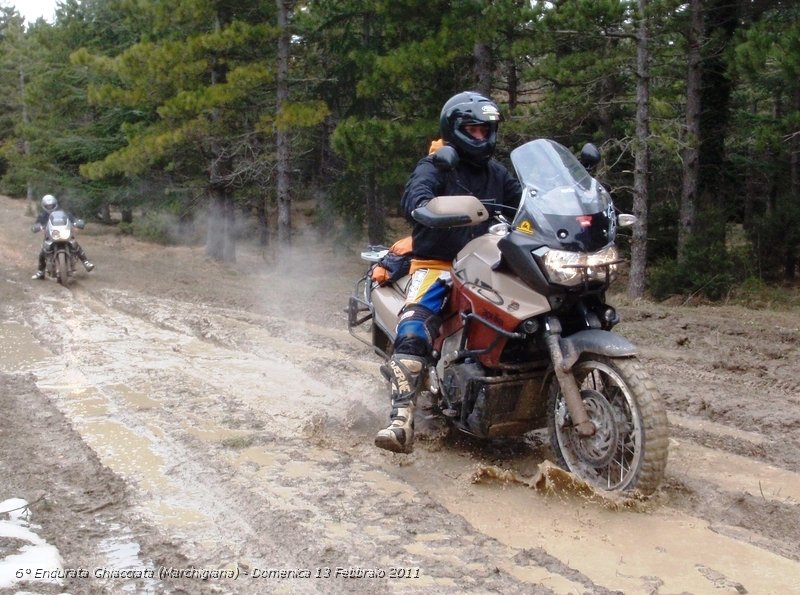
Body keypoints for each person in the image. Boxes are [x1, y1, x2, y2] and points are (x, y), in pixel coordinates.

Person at [374, 91, 522, 453]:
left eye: (487, 130)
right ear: (454, 129)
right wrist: (426, 208)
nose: (481, 138)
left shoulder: (496, 172)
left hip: (489, 260)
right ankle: (401, 419)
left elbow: (524, 201)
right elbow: (415, 199)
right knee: (416, 325)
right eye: (473, 130)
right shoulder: (435, 165)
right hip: (439, 263)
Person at [31, 194, 95, 280]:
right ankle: (40, 272)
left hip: (64, 234)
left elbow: (72, 219)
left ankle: (86, 262)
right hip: (50, 236)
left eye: (51, 205)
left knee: (75, 245)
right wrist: (37, 227)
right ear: (44, 206)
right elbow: (37, 224)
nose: (50, 207)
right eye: (48, 206)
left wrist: (77, 222)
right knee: (43, 251)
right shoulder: (42, 216)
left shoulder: (63, 213)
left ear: (55, 204)